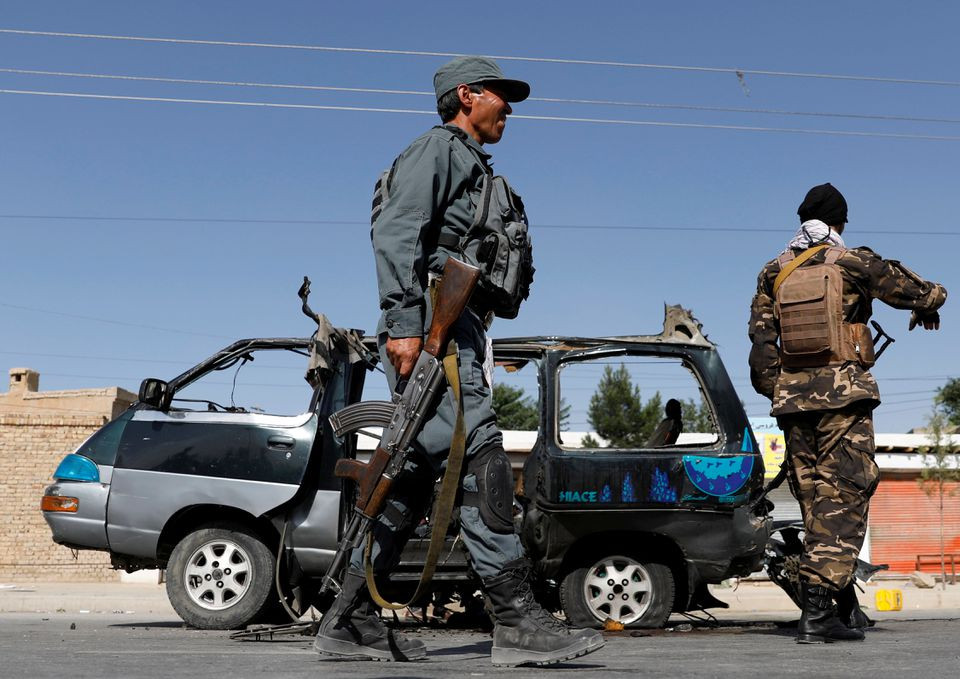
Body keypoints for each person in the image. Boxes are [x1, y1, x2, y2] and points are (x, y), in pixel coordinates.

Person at [314, 56, 604, 666]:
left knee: (414, 473)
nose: (510, 109)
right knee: (484, 459)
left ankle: (348, 617)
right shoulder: (438, 150)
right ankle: (516, 619)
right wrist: (403, 325)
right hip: (431, 326)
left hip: (455, 325)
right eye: (501, 96)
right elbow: (396, 231)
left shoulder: (471, 164)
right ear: (466, 95)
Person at [748, 183, 947, 643]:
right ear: (839, 222)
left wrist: (786, 393)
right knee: (846, 497)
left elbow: (761, 351)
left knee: (816, 499)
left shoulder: (771, 272)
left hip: (793, 406)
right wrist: (931, 302)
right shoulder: (852, 260)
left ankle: (843, 609)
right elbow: (915, 289)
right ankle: (817, 612)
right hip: (844, 400)